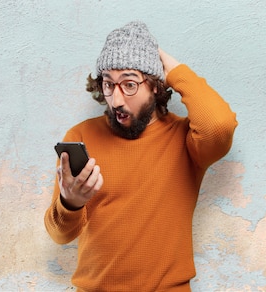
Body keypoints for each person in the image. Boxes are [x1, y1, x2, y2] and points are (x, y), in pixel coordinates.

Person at [44, 21, 238, 291]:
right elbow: (59, 234)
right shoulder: (81, 136)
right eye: (108, 84)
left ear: (156, 86)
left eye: (130, 84)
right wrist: (71, 202)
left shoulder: (186, 140)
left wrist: (173, 69)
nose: (117, 99)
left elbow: (220, 125)